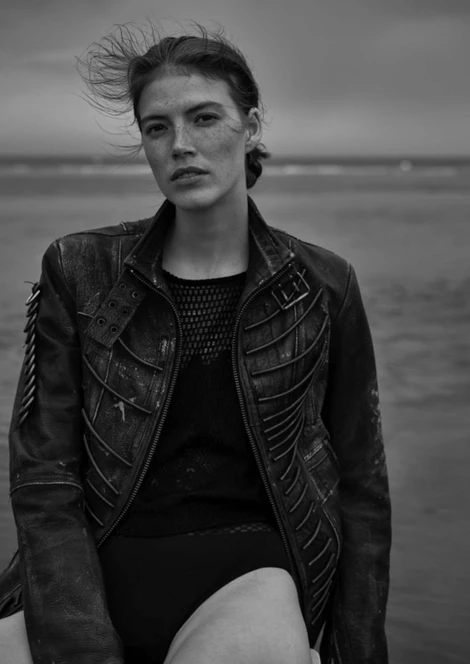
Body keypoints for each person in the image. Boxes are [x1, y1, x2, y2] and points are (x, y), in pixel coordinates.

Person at [0, 22, 391, 664]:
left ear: (251, 127)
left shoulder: (323, 285)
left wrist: (358, 651)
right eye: (157, 128)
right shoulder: (79, 268)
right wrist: (78, 645)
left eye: (204, 118)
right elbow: (45, 474)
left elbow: (363, 486)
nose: (180, 145)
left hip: (249, 580)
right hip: (87, 572)